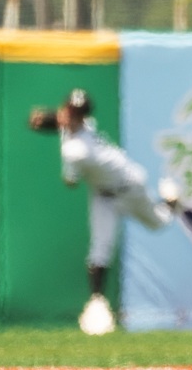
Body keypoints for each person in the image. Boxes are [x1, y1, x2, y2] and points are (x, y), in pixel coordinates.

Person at [30, 89, 184, 335]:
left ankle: (171, 201)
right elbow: (62, 122)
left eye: (76, 113)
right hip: (104, 196)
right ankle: (97, 303)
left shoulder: (76, 150)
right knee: (100, 248)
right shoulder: (86, 125)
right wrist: (47, 120)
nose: (70, 115)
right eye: (68, 109)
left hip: (131, 187)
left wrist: (49, 123)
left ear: (82, 117)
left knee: (160, 223)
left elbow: (70, 182)